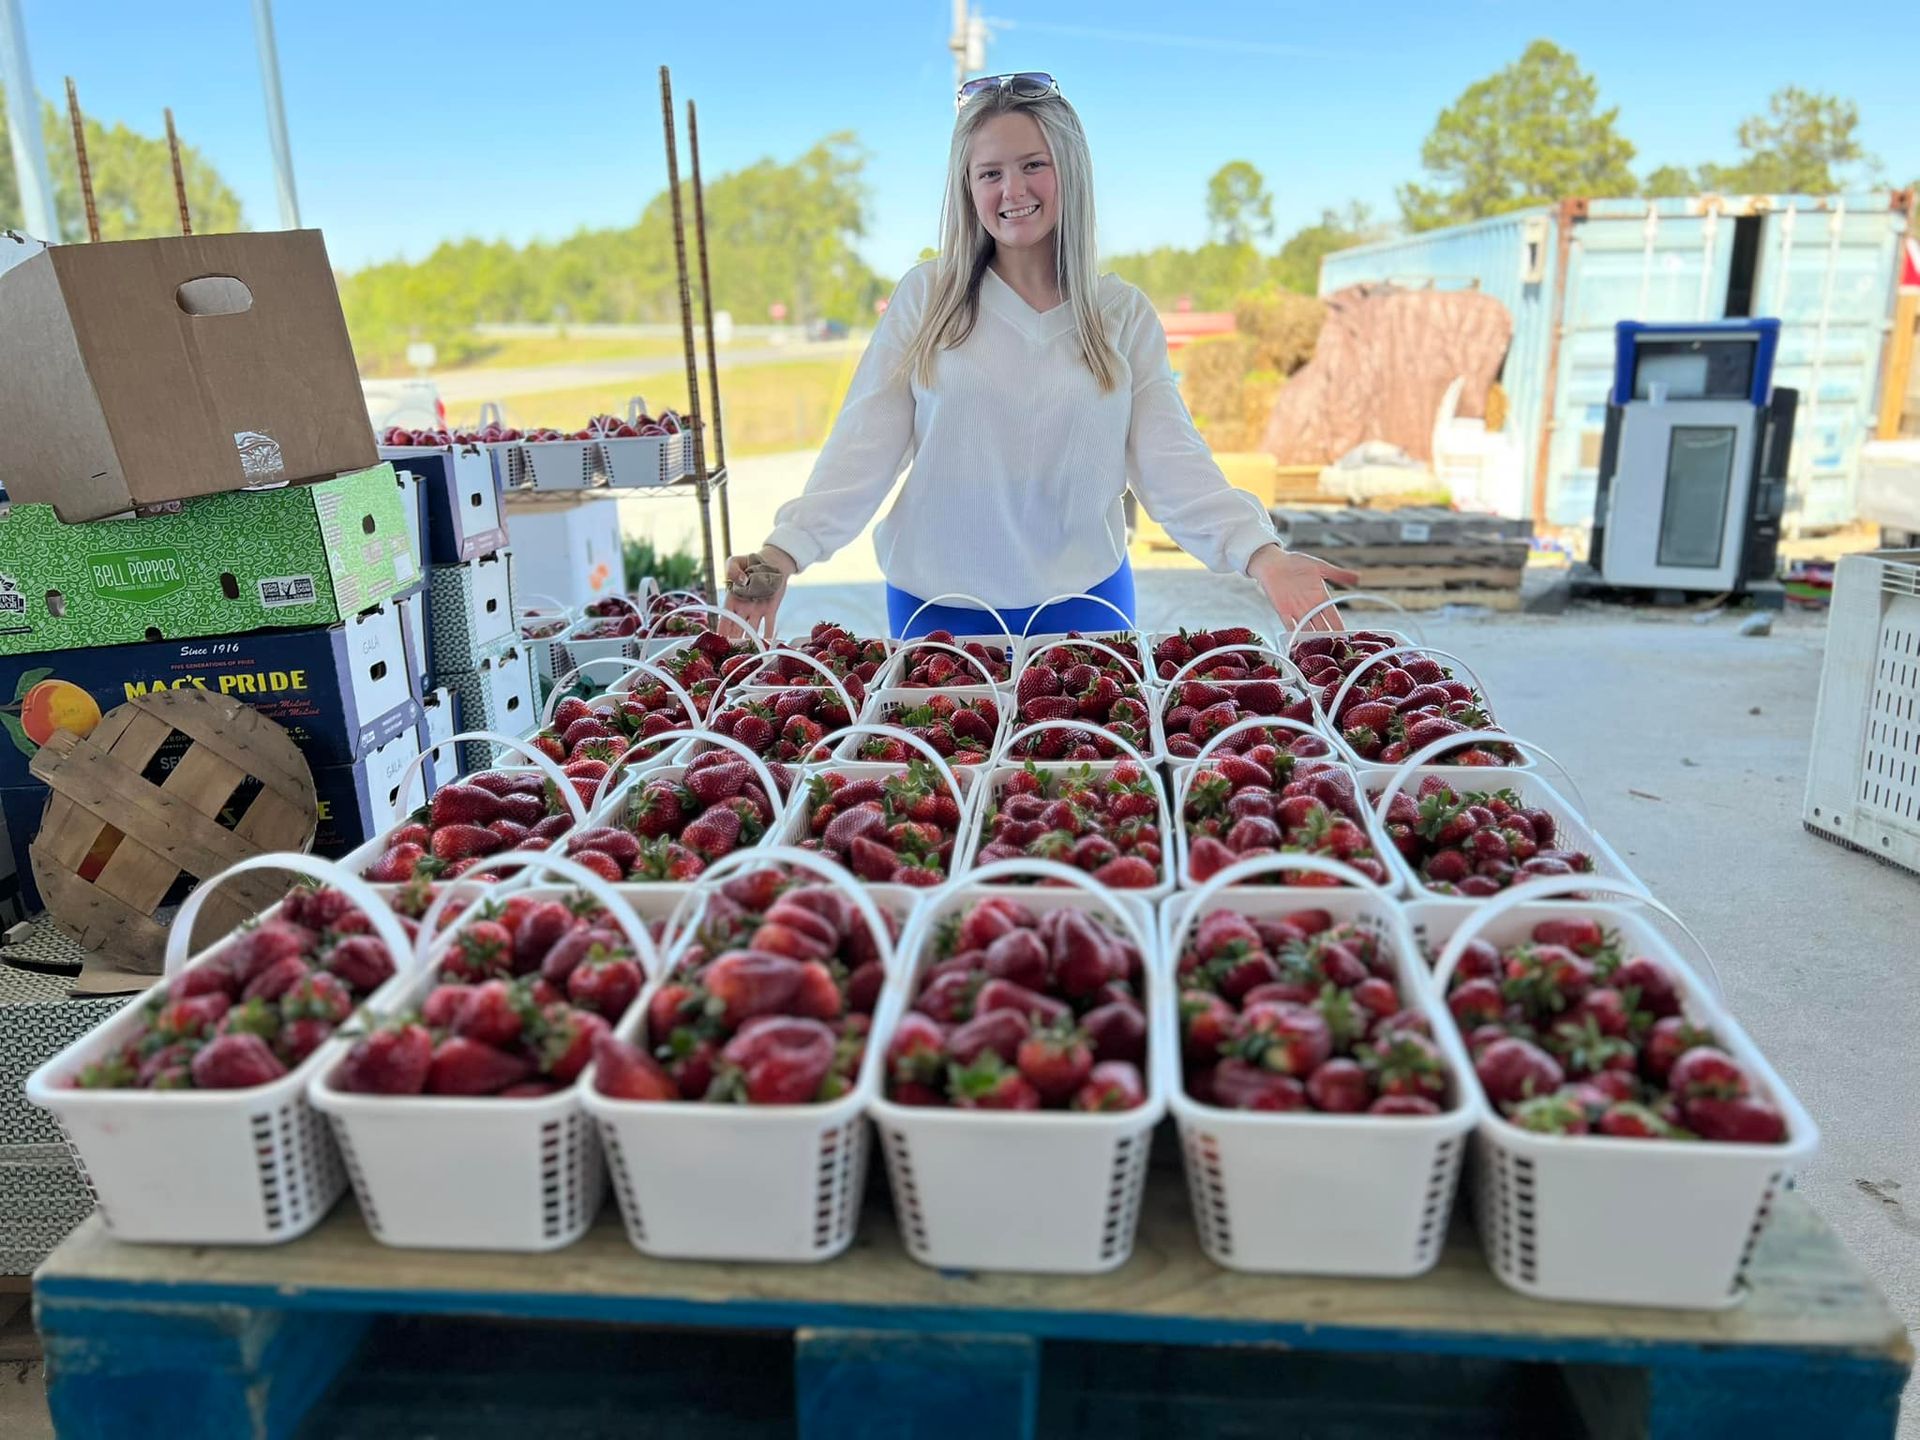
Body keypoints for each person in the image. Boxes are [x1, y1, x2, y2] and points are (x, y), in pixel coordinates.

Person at [723, 71, 1355, 641]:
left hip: (1087, 602)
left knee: (1097, 744)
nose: (1012, 189)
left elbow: (1170, 461)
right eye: (989, 173)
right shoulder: (927, 298)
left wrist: (1261, 553)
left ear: (1069, 171)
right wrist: (784, 551)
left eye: (1033, 165)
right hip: (937, 608)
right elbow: (863, 447)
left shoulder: (1121, 313)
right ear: (967, 187)